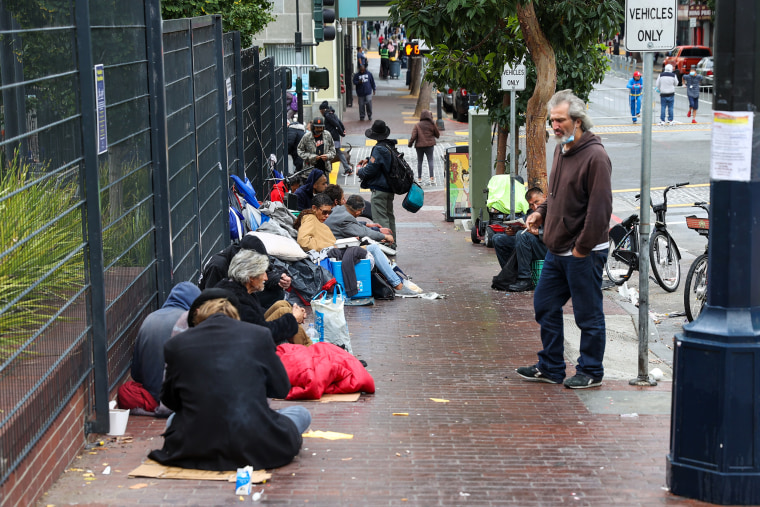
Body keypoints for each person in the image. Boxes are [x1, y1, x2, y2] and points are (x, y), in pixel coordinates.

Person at [148, 290, 310, 471]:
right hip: (253, 440)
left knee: (172, 420)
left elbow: (170, 400)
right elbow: (281, 388)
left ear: (197, 317)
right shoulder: (259, 335)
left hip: (197, 443)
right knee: (301, 414)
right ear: (235, 314)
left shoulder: (176, 344)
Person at [516, 90, 612, 389]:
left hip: (583, 251)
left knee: (588, 314)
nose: (554, 126)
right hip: (558, 249)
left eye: (560, 120)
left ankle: (591, 370)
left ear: (578, 121)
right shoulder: (561, 149)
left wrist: (581, 248)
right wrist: (541, 212)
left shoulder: (596, 156)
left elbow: (600, 210)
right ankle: (552, 366)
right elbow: (556, 194)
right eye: (552, 120)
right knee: (545, 303)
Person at [298, 193, 421, 295]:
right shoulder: (310, 219)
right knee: (373, 248)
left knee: (373, 248)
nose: (327, 216)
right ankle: (397, 284)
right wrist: (328, 245)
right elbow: (303, 241)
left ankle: (396, 281)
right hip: (332, 251)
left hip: (335, 248)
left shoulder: (321, 216)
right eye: (324, 212)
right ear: (314, 208)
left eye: (329, 212)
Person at [129, 282, 201, 411]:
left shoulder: (149, 318)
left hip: (151, 395)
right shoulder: (187, 321)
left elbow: (136, 372)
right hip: (178, 397)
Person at [215, 250, 311, 346]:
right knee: (285, 313)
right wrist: (293, 319)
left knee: (282, 304)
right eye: (263, 273)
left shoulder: (239, 289)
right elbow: (261, 333)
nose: (266, 278)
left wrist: (296, 313)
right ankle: (311, 352)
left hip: (249, 335)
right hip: (242, 345)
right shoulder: (238, 302)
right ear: (251, 277)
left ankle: (311, 349)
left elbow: (258, 316)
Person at [199, 234, 292, 310]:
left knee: (276, 293)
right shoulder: (218, 266)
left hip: (237, 295)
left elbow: (265, 272)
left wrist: (278, 280)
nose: (265, 277)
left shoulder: (242, 256)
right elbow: (211, 302)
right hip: (223, 306)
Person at [494, 188, 549, 292]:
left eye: (537, 202)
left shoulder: (554, 211)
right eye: (531, 204)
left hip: (547, 247)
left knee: (523, 236)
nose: (535, 207)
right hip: (531, 245)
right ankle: (510, 276)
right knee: (498, 239)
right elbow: (523, 228)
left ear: (545, 197)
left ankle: (525, 279)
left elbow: (560, 233)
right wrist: (513, 230)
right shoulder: (530, 213)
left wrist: (537, 232)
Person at [357, 120, 398, 246]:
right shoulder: (389, 146)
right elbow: (382, 163)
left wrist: (360, 171)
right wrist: (369, 160)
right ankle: (393, 242)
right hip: (390, 188)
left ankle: (386, 244)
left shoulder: (379, 149)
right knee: (389, 216)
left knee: (380, 217)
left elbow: (371, 170)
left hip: (379, 189)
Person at [319, 102, 353, 175]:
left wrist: (342, 132)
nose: (320, 112)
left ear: (323, 110)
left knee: (328, 152)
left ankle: (328, 169)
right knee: (338, 152)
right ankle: (347, 169)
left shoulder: (328, 115)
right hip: (335, 137)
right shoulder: (332, 114)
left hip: (331, 137)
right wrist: (343, 130)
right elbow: (339, 122)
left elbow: (336, 124)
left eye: (320, 111)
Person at [408, 110, 440, 185]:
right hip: (430, 145)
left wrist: (410, 144)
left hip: (419, 146)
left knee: (419, 161)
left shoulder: (417, 125)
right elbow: (437, 135)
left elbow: (413, 136)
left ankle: (419, 178)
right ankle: (431, 178)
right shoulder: (432, 124)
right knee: (430, 160)